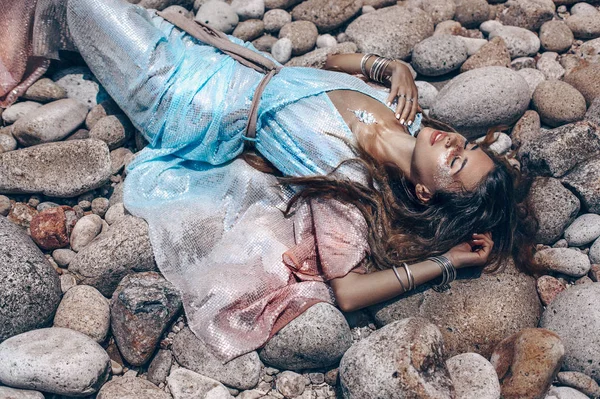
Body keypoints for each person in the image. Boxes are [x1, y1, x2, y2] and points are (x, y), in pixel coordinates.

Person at [60, 0, 524, 362]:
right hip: (223, 52)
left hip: (184, 97)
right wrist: (389, 68)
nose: (454, 144)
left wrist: (446, 262)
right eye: (466, 146)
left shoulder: (348, 183)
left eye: (458, 162)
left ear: (426, 193)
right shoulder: (406, 111)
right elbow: (328, 63)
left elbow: (348, 291)